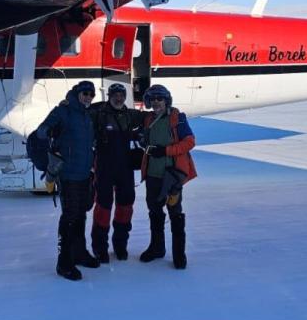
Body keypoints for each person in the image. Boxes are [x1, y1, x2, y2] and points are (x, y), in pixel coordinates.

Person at [36, 80, 100, 281]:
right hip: (68, 175)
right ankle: (64, 262)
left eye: (91, 94)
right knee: (70, 218)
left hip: (84, 174)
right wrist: (50, 131)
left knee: (81, 215)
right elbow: (41, 130)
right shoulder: (63, 111)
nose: (88, 97)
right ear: (77, 93)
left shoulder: (87, 115)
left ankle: (79, 253)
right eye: (85, 93)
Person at [139, 84, 197, 269]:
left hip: (171, 175)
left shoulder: (177, 119)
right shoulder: (148, 119)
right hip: (153, 175)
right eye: (153, 99)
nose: (156, 103)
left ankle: (179, 254)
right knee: (155, 212)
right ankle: (157, 248)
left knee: (175, 213)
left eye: (160, 99)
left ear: (166, 101)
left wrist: (166, 151)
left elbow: (189, 142)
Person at [88, 82, 145, 262]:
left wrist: (171, 110)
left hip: (125, 168)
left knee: (125, 205)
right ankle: (100, 248)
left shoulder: (131, 115)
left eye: (121, 95)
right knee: (103, 206)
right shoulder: (98, 114)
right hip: (104, 168)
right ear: (109, 97)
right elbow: (79, 115)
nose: (118, 98)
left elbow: (151, 117)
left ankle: (120, 245)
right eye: (115, 95)